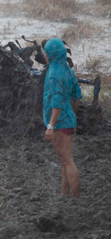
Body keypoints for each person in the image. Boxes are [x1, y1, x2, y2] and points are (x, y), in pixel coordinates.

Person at [43, 38, 82, 198]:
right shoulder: (67, 69)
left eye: (46, 52)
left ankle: (75, 197)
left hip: (59, 123)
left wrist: (51, 125)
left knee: (68, 161)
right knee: (65, 160)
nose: (44, 54)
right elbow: (76, 96)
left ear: (51, 54)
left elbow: (57, 104)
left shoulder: (53, 74)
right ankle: (64, 194)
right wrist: (72, 116)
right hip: (68, 119)